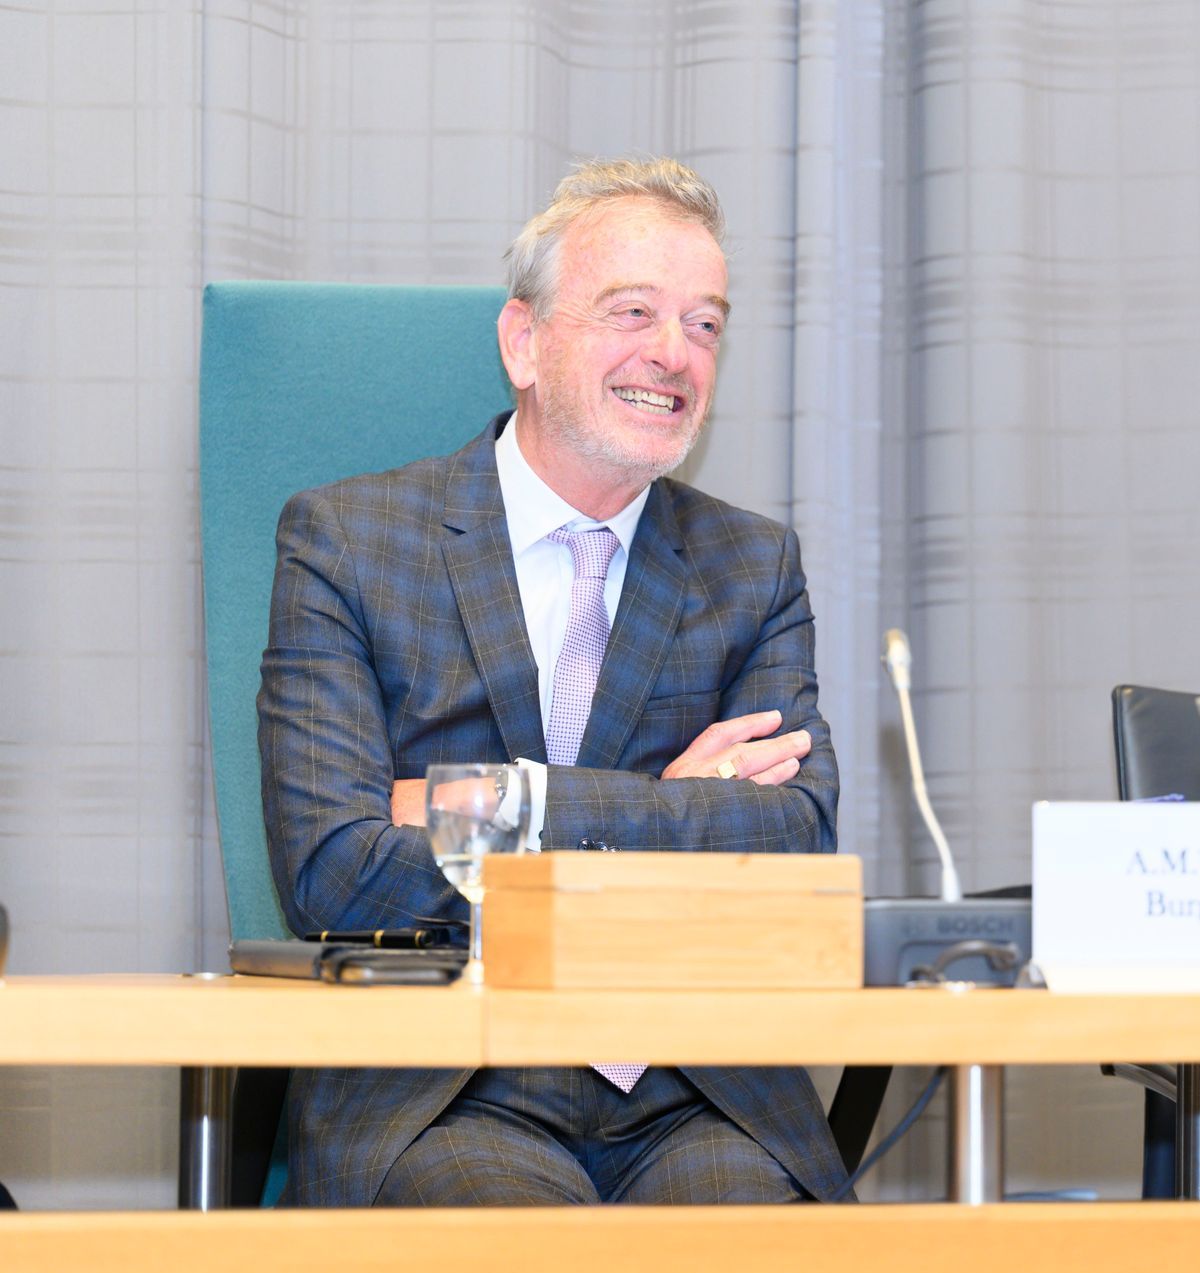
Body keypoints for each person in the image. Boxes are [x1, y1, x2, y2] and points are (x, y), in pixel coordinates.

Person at [257, 157, 846, 1207]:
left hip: (692, 1079)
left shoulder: (751, 568)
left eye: (705, 325)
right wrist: (678, 809)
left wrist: (493, 806)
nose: (673, 354)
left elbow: (793, 842)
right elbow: (334, 866)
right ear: (523, 343)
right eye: (634, 312)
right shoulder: (347, 542)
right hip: (449, 1075)